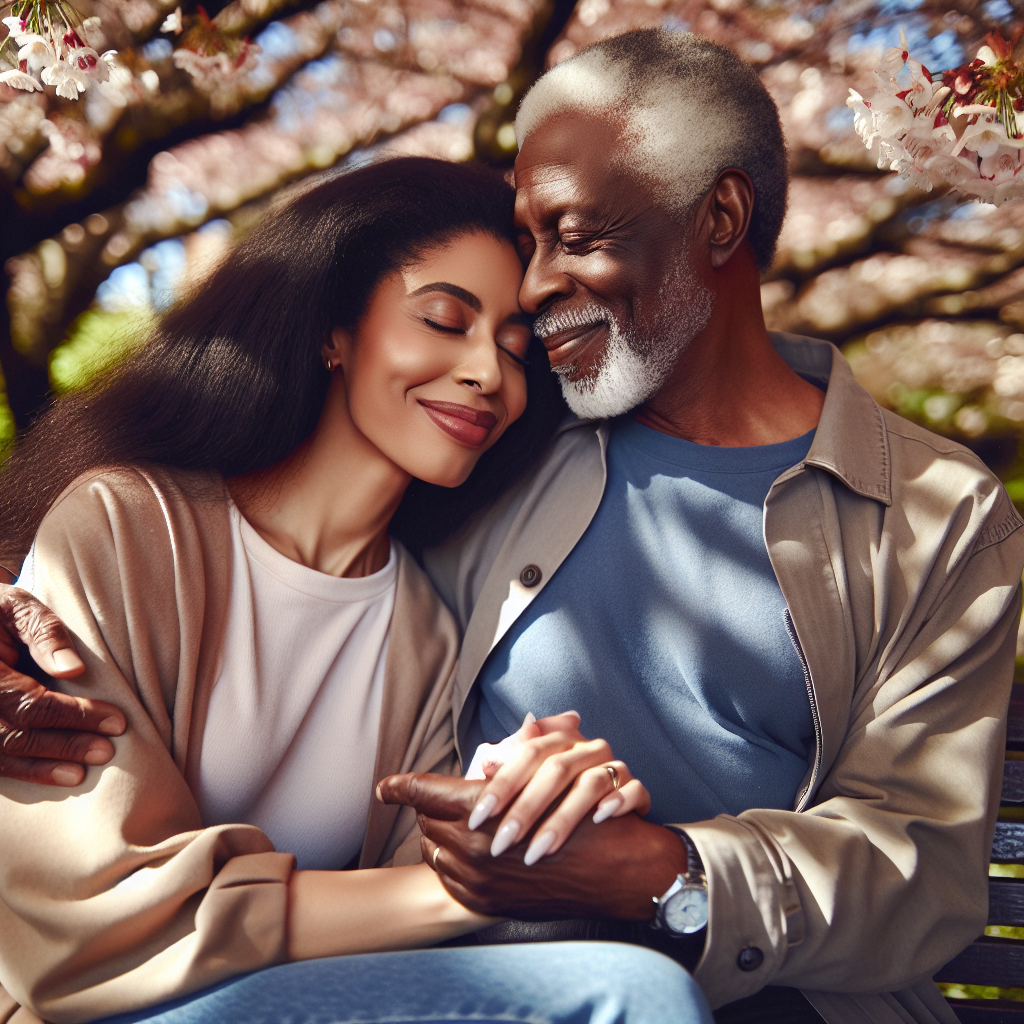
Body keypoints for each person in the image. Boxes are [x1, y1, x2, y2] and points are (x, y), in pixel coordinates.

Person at [3, 27, 1021, 1024]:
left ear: (718, 220)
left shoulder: (933, 514)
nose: (528, 305)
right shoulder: (507, 455)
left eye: (571, 236)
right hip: (455, 978)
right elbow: (214, 537)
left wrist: (657, 870)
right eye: (521, 253)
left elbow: (917, 865)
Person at [0, 155, 712, 1024]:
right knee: (628, 996)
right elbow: (81, 927)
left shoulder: (427, 633)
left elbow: (414, 930)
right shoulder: (125, 524)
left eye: (515, 349)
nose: (488, 372)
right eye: (445, 320)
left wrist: (545, 816)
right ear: (332, 330)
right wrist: (465, 891)